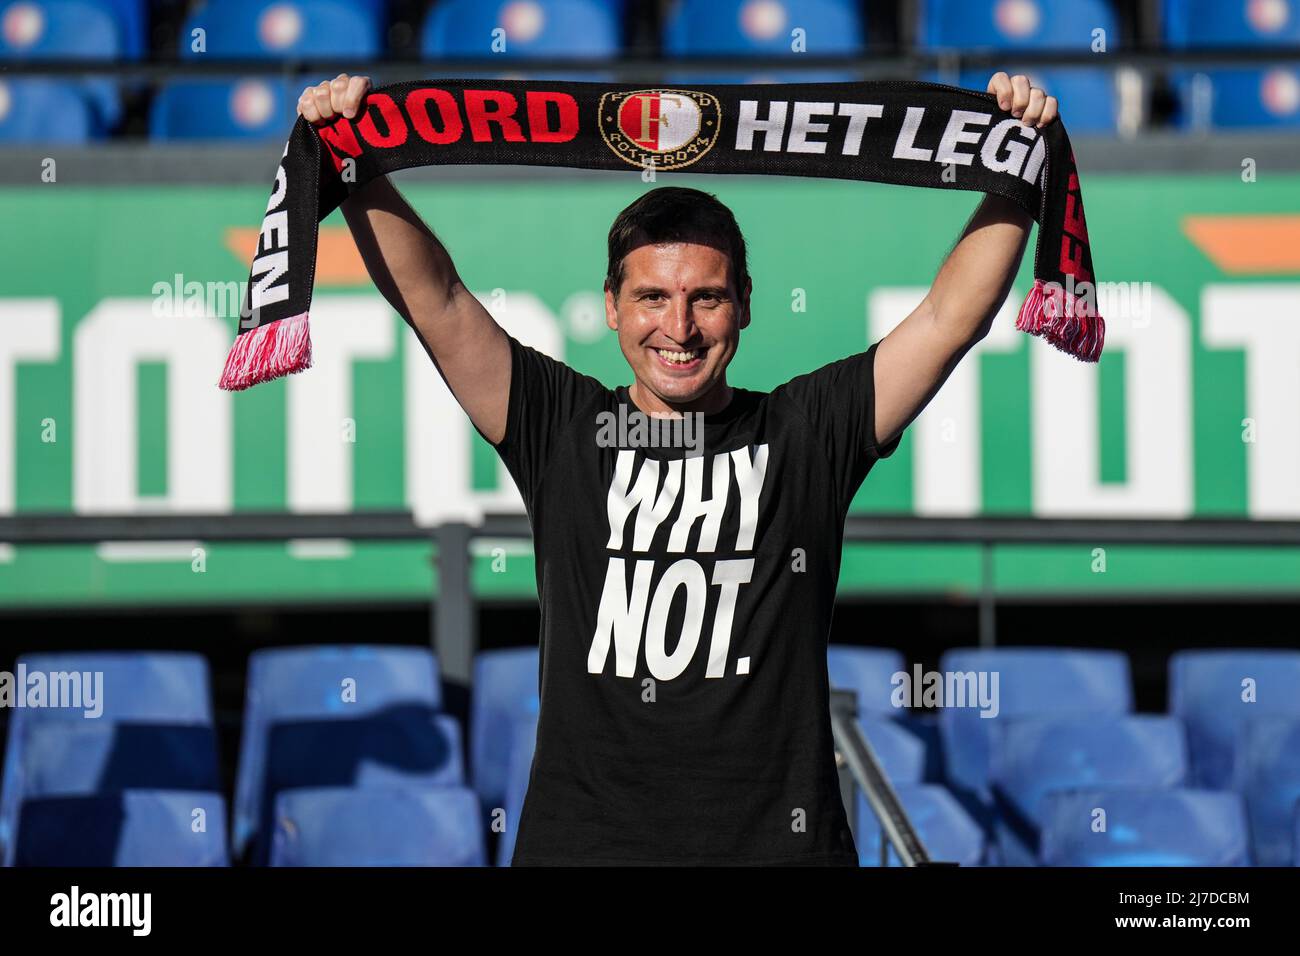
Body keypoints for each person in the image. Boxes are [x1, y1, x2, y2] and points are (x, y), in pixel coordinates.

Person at [298, 71, 1061, 866]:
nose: (680, 327)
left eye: (707, 298)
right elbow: (438, 300)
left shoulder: (807, 432)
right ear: (611, 306)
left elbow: (949, 317)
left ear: (746, 304)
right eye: (653, 298)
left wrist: (1015, 157)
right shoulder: (559, 426)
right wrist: (353, 157)